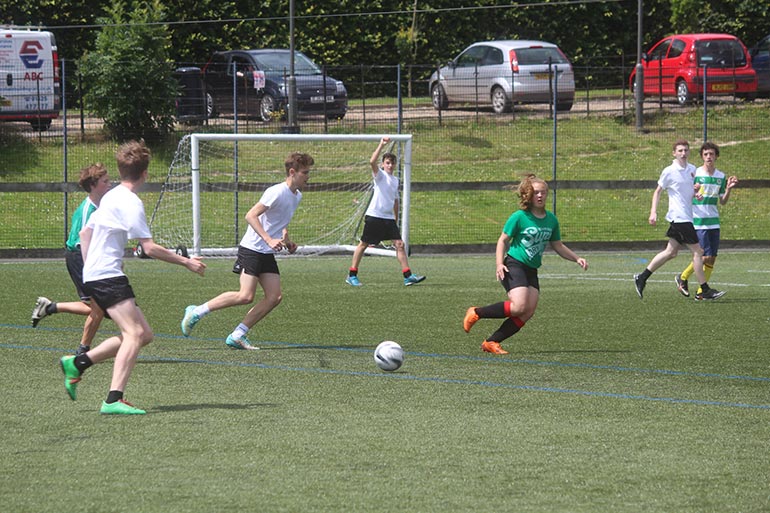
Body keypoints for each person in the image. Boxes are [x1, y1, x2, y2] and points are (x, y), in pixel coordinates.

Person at [58, 140, 207, 415]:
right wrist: (187, 262)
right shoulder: (130, 202)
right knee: (134, 333)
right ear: (145, 173)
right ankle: (113, 399)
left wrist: (92, 267)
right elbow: (148, 248)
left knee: (143, 334)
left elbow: (84, 234)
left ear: (120, 170)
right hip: (107, 276)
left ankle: (78, 363)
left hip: (98, 273)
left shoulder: (110, 195)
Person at [180, 152, 314, 349]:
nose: (308, 176)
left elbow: (279, 221)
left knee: (274, 297)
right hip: (252, 248)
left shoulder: (297, 196)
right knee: (245, 296)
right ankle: (196, 311)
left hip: (266, 252)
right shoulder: (276, 192)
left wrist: (287, 240)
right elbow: (250, 215)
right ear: (292, 172)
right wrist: (268, 239)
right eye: (305, 172)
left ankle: (238, 334)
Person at [463, 174, 588, 355]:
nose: (540, 196)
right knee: (518, 306)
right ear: (529, 195)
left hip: (531, 269)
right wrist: (499, 263)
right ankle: (476, 312)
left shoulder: (551, 220)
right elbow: (503, 240)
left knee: (527, 311)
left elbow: (558, 245)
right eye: (536, 192)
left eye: (543, 192)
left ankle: (491, 342)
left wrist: (577, 258)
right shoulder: (520, 217)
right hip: (514, 264)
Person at [32, 164, 111, 356]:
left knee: (97, 307)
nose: (110, 184)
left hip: (86, 257)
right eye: (105, 181)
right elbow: (83, 240)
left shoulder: (100, 205)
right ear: (93, 185)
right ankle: (82, 351)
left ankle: (50, 307)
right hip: (80, 257)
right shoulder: (88, 210)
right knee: (99, 308)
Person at [633, 139, 725, 301]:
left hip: (687, 217)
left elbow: (688, 191)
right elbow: (658, 191)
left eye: (686, 150)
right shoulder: (669, 171)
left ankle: (642, 277)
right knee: (699, 252)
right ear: (674, 153)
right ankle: (704, 289)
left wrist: (696, 193)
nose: (683, 153)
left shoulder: (691, 170)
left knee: (671, 252)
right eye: (680, 151)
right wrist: (653, 212)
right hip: (679, 217)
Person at [346, 137, 425, 287]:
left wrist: (395, 218)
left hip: (388, 219)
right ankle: (352, 274)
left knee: (400, 244)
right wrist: (381, 144)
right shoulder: (380, 176)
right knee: (363, 244)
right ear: (383, 164)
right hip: (374, 216)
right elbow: (371, 161)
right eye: (387, 163)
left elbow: (395, 200)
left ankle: (408, 276)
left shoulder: (395, 180)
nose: (390, 165)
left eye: (392, 163)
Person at [674, 142, 738, 298]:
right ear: (702, 156)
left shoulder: (721, 176)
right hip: (698, 220)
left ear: (716, 156)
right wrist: (694, 194)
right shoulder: (695, 173)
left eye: (711, 154)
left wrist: (728, 189)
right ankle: (683, 277)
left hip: (713, 221)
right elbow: (687, 194)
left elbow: (722, 201)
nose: (709, 157)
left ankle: (701, 293)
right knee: (703, 255)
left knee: (712, 258)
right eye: (706, 154)